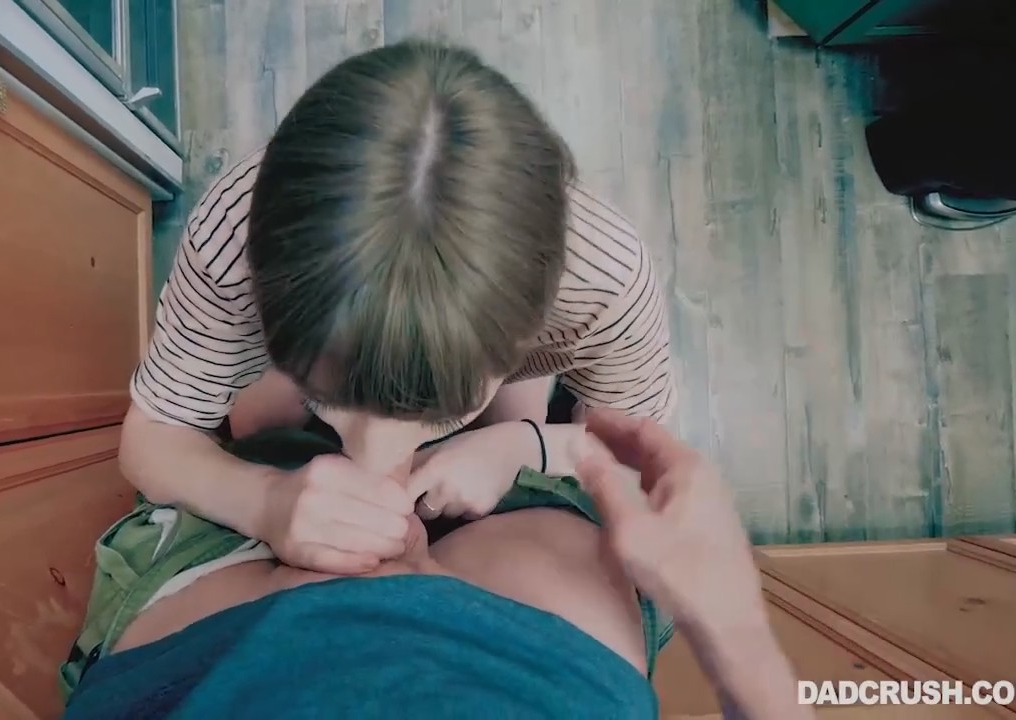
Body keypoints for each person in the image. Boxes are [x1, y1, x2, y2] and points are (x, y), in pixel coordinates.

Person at [120, 39, 675, 575]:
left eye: (433, 412)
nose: (379, 469)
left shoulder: (606, 285)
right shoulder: (231, 235)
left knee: (516, 427)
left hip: (524, 355)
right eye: (334, 396)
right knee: (258, 426)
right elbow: (153, 435)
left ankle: (504, 401)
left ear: (534, 325)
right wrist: (263, 499)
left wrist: (522, 447)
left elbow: (641, 463)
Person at [62, 412, 810, 719]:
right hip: (552, 613)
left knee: (271, 418)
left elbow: (157, 437)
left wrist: (260, 499)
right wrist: (738, 640)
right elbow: (618, 444)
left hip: (215, 602)